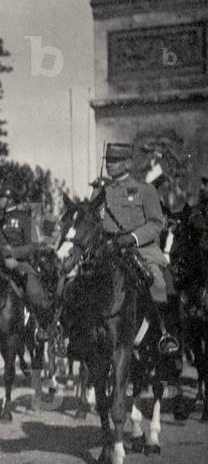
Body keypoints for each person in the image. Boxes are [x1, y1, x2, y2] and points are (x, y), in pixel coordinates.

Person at [99, 143, 179, 355]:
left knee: (157, 284)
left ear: (127, 163)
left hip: (140, 250)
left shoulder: (145, 190)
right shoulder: (102, 192)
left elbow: (156, 223)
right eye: (107, 160)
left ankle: (163, 334)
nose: (109, 164)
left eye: (115, 161)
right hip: (107, 250)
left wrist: (132, 238)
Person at [0, 193, 55, 341]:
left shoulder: (24, 218)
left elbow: (33, 245)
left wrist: (13, 254)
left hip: (21, 263)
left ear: (10, 199)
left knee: (35, 293)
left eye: (1, 197)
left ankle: (43, 327)